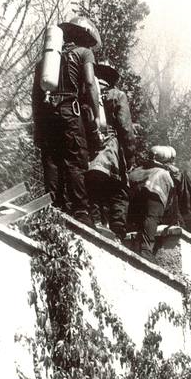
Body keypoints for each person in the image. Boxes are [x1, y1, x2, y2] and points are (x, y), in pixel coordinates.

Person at [32, 15, 103, 226]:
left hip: (47, 115)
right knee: (75, 160)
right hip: (70, 112)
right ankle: (81, 212)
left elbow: (36, 96)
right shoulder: (84, 53)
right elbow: (90, 84)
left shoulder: (46, 61)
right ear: (85, 36)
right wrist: (97, 117)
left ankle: (53, 207)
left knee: (52, 160)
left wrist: (38, 127)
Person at [85, 61, 136, 241]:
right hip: (111, 150)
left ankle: (96, 223)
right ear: (112, 79)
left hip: (89, 150)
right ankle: (118, 234)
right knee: (120, 191)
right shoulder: (117, 95)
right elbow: (125, 128)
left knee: (93, 187)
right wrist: (130, 156)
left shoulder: (85, 93)